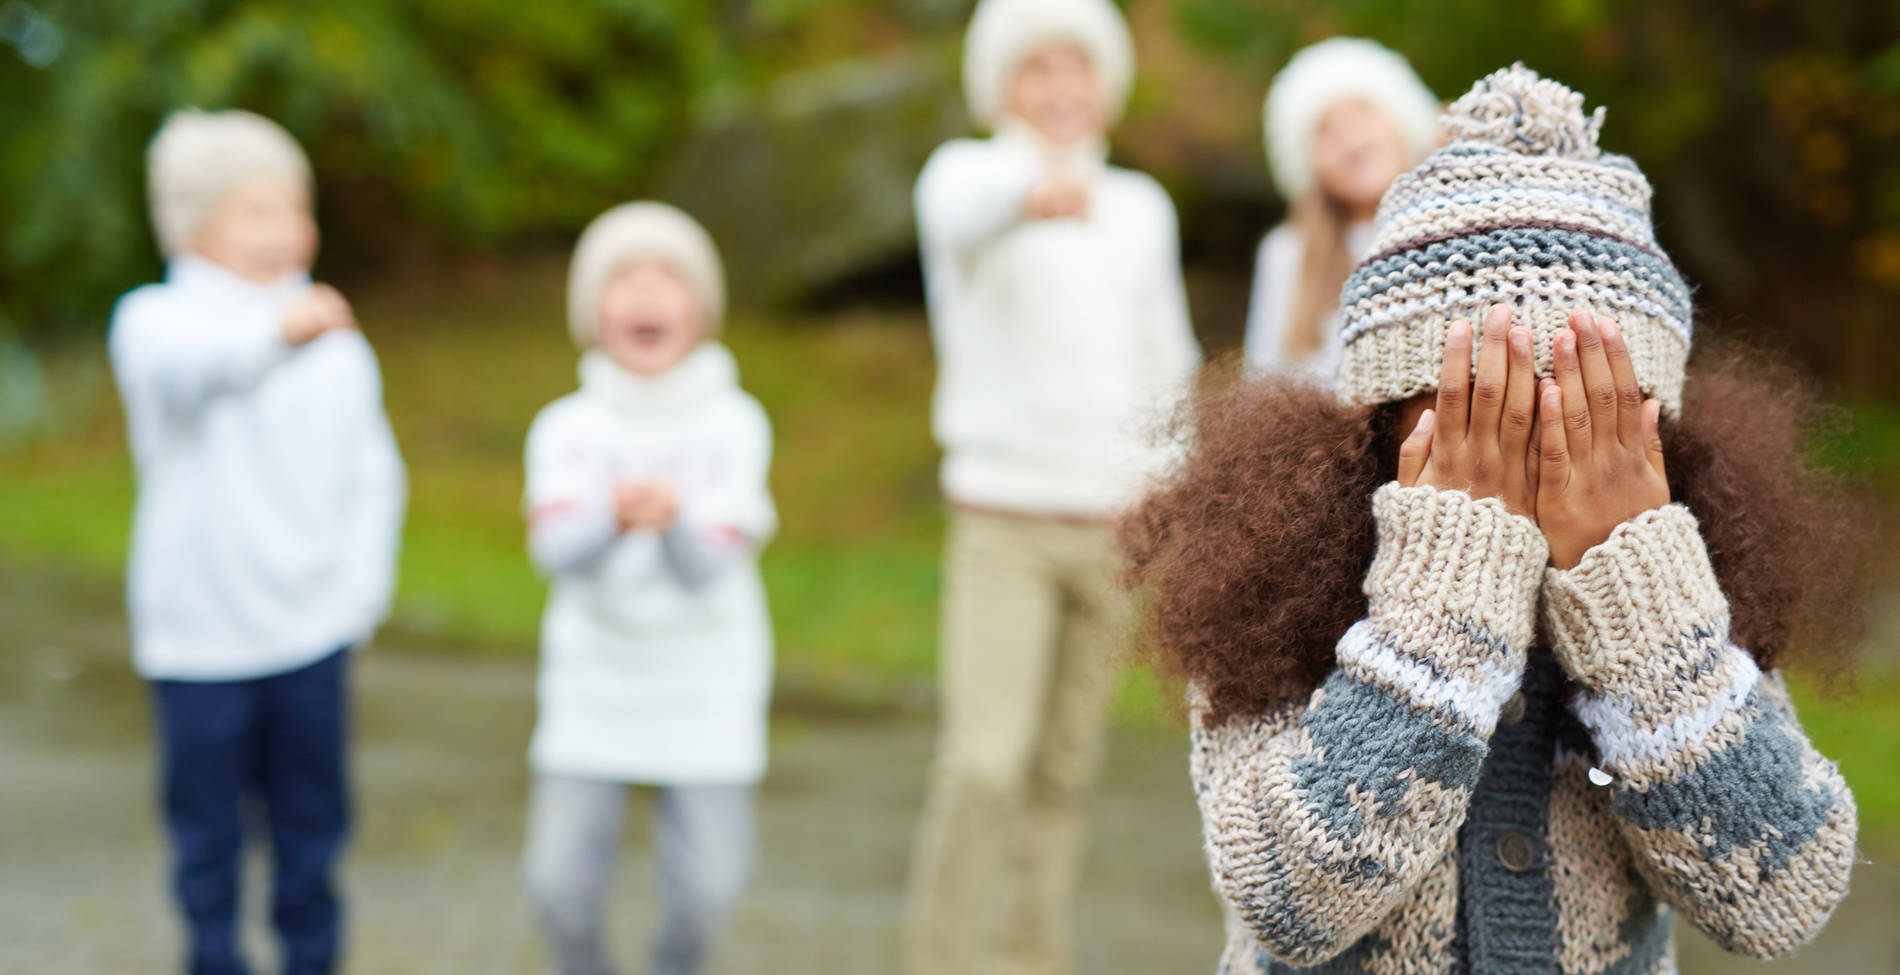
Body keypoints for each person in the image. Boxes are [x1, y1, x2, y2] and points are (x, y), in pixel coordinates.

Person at [1122, 65, 1862, 974]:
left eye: (1584, 412)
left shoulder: (1690, 576)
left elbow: (1778, 898)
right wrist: (1443, 599)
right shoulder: (1276, 590)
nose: (1531, 444)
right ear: (1380, 415)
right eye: (1477, 404)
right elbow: (1286, 897)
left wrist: (1638, 596)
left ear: (1654, 434)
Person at [905, 0, 1202, 971]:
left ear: (1106, 84)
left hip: (1110, 527)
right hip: (1004, 522)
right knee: (984, 763)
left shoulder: (1141, 208)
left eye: (1076, 71)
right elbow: (963, 220)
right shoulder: (968, 182)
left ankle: (1029, 958)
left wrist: (1173, 487)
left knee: (1062, 771)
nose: (1060, 91)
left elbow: (1164, 358)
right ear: (1002, 85)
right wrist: (1031, 195)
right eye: (1037, 72)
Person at [108, 108, 406, 975]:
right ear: (192, 221)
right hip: (198, 640)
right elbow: (199, 370)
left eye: (296, 208)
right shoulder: (154, 320)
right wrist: (281, 334)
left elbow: (373, 475)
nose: (286, 232)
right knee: (207, 844)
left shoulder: (339, 344)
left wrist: (359, 595)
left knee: (313, 836)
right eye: (257, 210)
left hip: (310, 633)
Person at [519, 202, 776, 975]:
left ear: (701, 309)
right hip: (594, 682)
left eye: (668, 277)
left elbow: (709, 565)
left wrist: (670, 523)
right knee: (557, 886)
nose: (646, 294)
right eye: (623, 278)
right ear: (591, 310)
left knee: (709, 890)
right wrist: (609, 517)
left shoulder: (736, 421)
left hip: (706, 679)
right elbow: (554, 550)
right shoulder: (564, 427)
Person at [1243, 38, 1438, 380]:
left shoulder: (1450, 234)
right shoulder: (1286, 254)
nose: (1350, 138)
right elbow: (1262, 377)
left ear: (1401, 122)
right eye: (1326, 130)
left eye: (1362, 112)